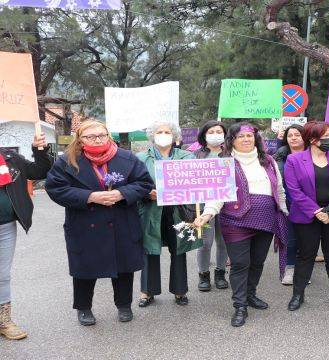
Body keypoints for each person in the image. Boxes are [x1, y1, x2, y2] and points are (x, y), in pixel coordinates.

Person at [45, 121, 153, 326]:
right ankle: (83, 308)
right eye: (90, 136)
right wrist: (90, 196)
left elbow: (145, 183)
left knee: (123, 267)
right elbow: (55, 188)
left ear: (108, 136)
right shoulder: (68, 160)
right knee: (84, 268)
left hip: (122, 220)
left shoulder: (127, 157)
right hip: (85, 223)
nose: (97, 140)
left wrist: (122, 193)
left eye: (102, 135)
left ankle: (124, 305)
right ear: (80, 139)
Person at [194, 122, 288, 327]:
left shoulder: (269, 161)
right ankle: (239, 306)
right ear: (232, 140)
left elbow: (279, 190)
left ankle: (250, 295)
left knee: (257, 262)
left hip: (265, 219)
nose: (246, 139)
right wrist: (208, 214)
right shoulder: (225, 162)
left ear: (256, 139)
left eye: (250, 136)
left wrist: (285, 212)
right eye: (240, 136)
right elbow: (217, 194)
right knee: (239, 264)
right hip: (235, 220)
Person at [284, 121, 329, 311]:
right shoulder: (295, 160)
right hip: (307, 217)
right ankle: (298, 295)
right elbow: (294, 190)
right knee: (305, 256)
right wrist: (317, 212)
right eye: (325, 136)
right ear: (312, 139)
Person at [137, 121, 200, 308]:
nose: (163, 134)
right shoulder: (140, 158)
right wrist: (146, 192)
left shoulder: (188, 157)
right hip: (150, 209)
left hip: (178, 211)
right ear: (152, 135)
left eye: (167, 132)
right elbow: (134, 184)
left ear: (175, 136)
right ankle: (147, 291)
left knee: (179, 249)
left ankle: (180, 291)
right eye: (159, 131)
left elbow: (196, 183)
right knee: (149, 250)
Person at [0, 133, 52, 339]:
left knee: (2, 275)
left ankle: (4, 321)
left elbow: (39, 170)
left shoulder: (10, 157)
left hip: (5, 227)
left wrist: (39, 150)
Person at [194, 120, 229, 291]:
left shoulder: (231, 153)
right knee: (205, 242)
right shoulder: (194, 155)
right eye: (211, 131)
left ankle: (221, 272)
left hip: (228, 204)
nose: (215, 135)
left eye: (219, 131)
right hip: (202, 204)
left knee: (223, 242)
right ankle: (203, 275)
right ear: (204, 134)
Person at [273, 124, 306, 285]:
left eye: (297, 135)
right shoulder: (280, 156)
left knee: (307, 239)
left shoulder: (314, 154)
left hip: (310, 204)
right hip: (288, 204)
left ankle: (304, 271)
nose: (293, 138)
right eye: (290, 135)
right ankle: (290, 268)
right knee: (291, 238)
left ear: (304, 136)